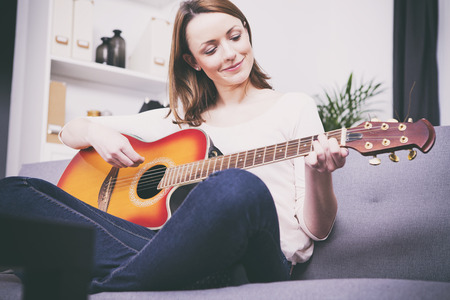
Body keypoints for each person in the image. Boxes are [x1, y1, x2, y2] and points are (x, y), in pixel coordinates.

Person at [0, 0, 348, 293]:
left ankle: (95, 281)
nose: (229, 54)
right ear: (193, 61)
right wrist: (96, 132)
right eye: (210, 49)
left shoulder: (294, 107)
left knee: (237, 185)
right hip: (172, 256)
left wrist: (319, 174)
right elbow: (70, 131)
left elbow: (316, 231)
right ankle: (136, 276)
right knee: (15, 190)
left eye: (235, 36)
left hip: (256, 264)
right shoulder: (181, 120)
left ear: (246, 30)